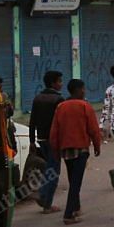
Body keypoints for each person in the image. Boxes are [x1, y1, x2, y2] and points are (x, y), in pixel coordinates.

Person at [49, 79, 102, 225]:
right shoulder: (85, 106)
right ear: (78, 90)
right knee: (75, 183)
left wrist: (55, 150)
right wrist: (97, 146)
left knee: (73, 179)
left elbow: (54, 131)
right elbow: (93, 129)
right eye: (83, 89)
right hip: (81, 149)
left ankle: (76, 207)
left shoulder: (61, 107)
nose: (84, 91)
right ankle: (68, 214)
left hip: (66, 150)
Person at [29, 70, 64, 214]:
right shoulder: (59, 100)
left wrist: (32, 140)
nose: (61, 84)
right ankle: (46, 202)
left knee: (49, 167)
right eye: (59, 81)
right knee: (54, 171)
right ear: (53, 83)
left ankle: (43, 195)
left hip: (41, 139)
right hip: (54, 140)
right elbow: (62, 123)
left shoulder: (38, 98)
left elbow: (32, 122)